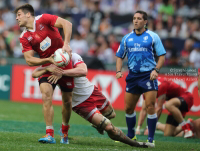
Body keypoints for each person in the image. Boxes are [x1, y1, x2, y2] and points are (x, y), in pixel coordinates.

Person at [32, 53, 154, 148]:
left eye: (68, 48)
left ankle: (98, 125)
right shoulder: (53, 62)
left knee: (112, 114)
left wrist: (62, 73)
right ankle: (136, 144)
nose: (68, 51)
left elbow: (84, 71)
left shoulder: (74, 57)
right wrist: (47, 69)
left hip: (92, 92)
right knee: (109, 128)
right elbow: (34, 73)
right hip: (80, 104)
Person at [14, 3, 73, 144]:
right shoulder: (24, 37)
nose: (17, 18)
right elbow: (29, 60)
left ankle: (64, 130)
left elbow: (67, 23)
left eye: (19, 15)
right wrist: (48, 62)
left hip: (64, 63)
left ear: (28, 14)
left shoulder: (44, 19)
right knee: (46, 95)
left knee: (67, 101)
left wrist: (66, 43)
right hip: (47, 66)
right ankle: (49, 134)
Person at [115, 10, 166, 147]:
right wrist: (119, 70)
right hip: (132, 76)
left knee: (150, 106)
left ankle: (151, 139)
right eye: (134, 18)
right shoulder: (127, 38)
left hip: (148, 75)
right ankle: (131, 136)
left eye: (139, 18)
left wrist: (156, 70)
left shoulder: (153, 36)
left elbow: (161, 56)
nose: (136, 21)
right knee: (128, 108)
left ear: (145, 21)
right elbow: (119, 56)